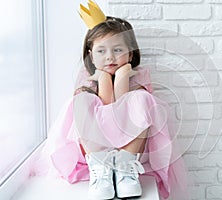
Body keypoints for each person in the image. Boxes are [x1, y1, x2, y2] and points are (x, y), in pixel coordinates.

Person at [33, 1, 188, 199]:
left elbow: (120, 110)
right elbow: (104, 109)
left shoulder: (138, 75)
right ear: (91, 55)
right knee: (81, 101)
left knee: (142, 98)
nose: (109, 57)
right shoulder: (87, 77)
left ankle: (124, 170)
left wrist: (122, 77)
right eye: (101, 51)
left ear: (130, 53)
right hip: (96, 146)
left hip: (130, 146)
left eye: (117, 50)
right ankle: (102, 169)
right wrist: (104, 79)